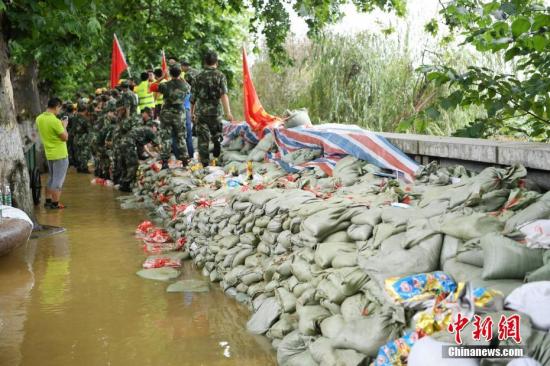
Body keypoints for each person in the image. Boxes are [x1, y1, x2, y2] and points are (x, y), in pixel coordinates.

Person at [191, 50, 233, 167]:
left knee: (202, 140)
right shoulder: (220, 76)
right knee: (216, 133)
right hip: (216, 111)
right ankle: (217, 144)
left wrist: (192, 113)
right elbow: (224, 95)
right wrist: (228, 112)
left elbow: (192, 98)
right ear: (216, 62)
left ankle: (205, 164)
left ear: (204, 62)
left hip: (201, 112)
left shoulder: (197, 77)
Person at [150, 64, 190, 168]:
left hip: (166, 114)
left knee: (166, 138)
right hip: (179, 114)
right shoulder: (185, 85)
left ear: (170, 74)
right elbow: (189, 88)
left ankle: (164, 163)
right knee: (181, 137)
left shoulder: (165, 85)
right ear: (180, 73)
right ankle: (185, 161)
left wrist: (162, 77)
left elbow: (152, 86)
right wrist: (181, 78)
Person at [36, 97, 70, 209]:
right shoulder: (55, 121)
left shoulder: (39, 118)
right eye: (60, 108)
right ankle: (56, 203)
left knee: (51, 178)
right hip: (60, 154)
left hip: (49, 154)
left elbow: (49, 130)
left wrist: (59, 124)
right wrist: (63, 126)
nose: (60, 111)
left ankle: (48, 201)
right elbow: (65, 137)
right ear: (57, 107)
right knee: (58, 181)